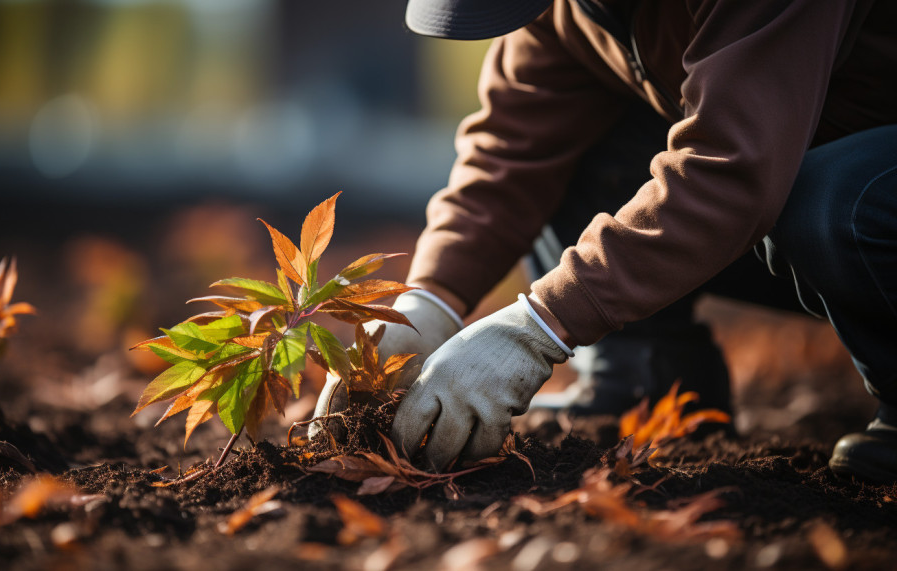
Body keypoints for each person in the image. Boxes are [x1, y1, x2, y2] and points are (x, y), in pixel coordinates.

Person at [311, 0, 897, 481]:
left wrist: (540, 325)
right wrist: (428, 301)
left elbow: (729, 167)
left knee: (836, 199)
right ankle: (642, 380)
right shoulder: (569, 10)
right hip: (782, 169)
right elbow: (512, 155)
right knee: (575, 147)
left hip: (858, 189)